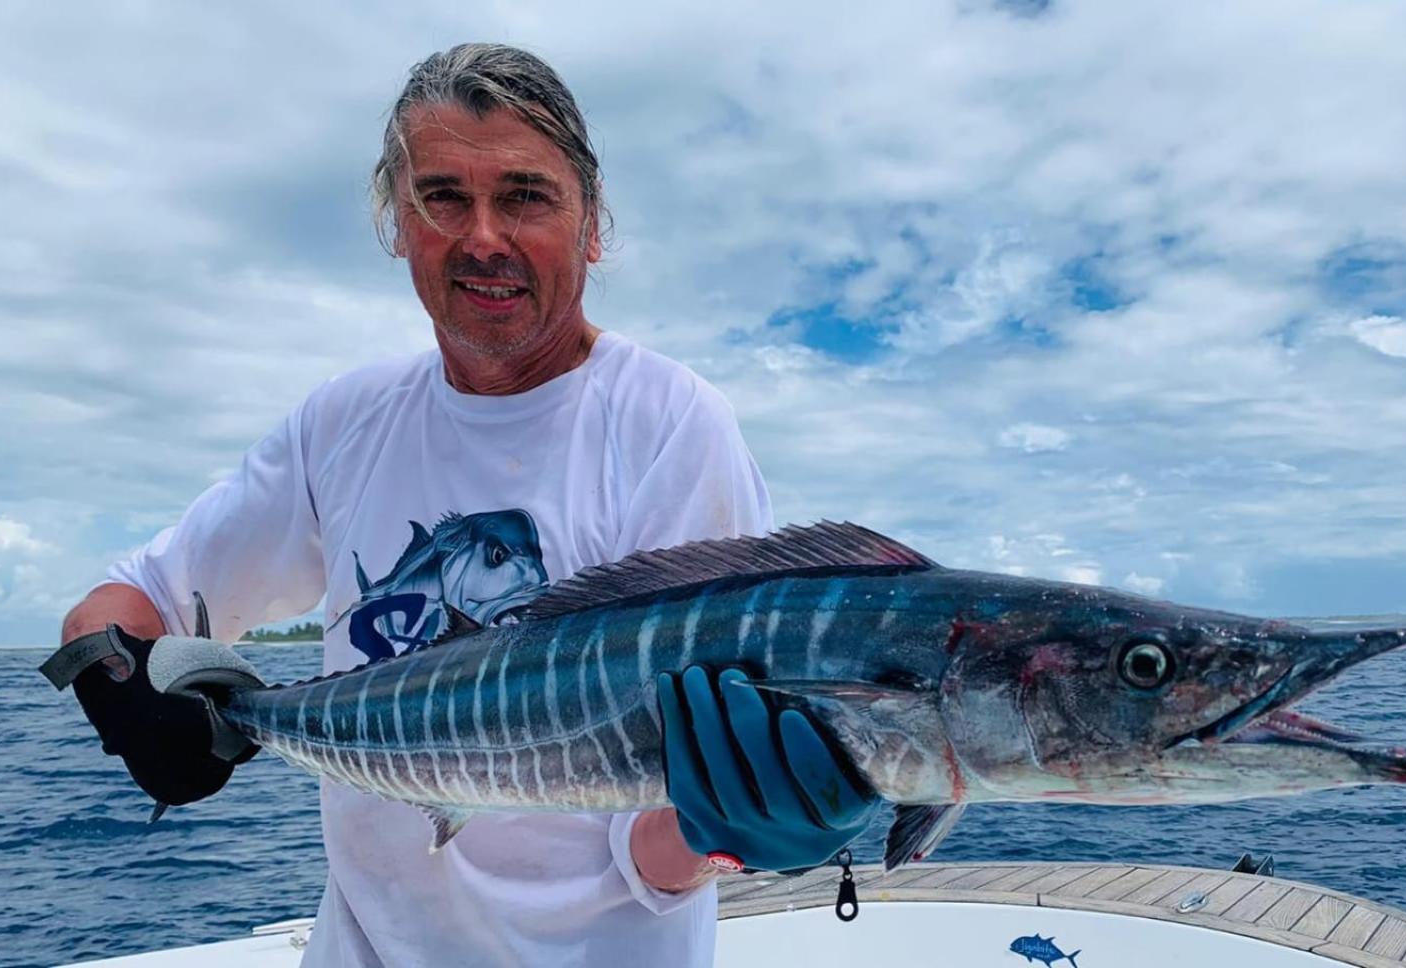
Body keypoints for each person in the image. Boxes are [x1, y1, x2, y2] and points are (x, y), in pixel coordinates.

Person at [45, 43, 875, 967]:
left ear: (591, 224)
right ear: (399, 222)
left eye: (524, 195)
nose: (483, 236)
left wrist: (736, 826)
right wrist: (114, 684)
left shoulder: (670, 427)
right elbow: (125, 599)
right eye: (444, 197)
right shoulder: (344, 423)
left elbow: (651, 854)